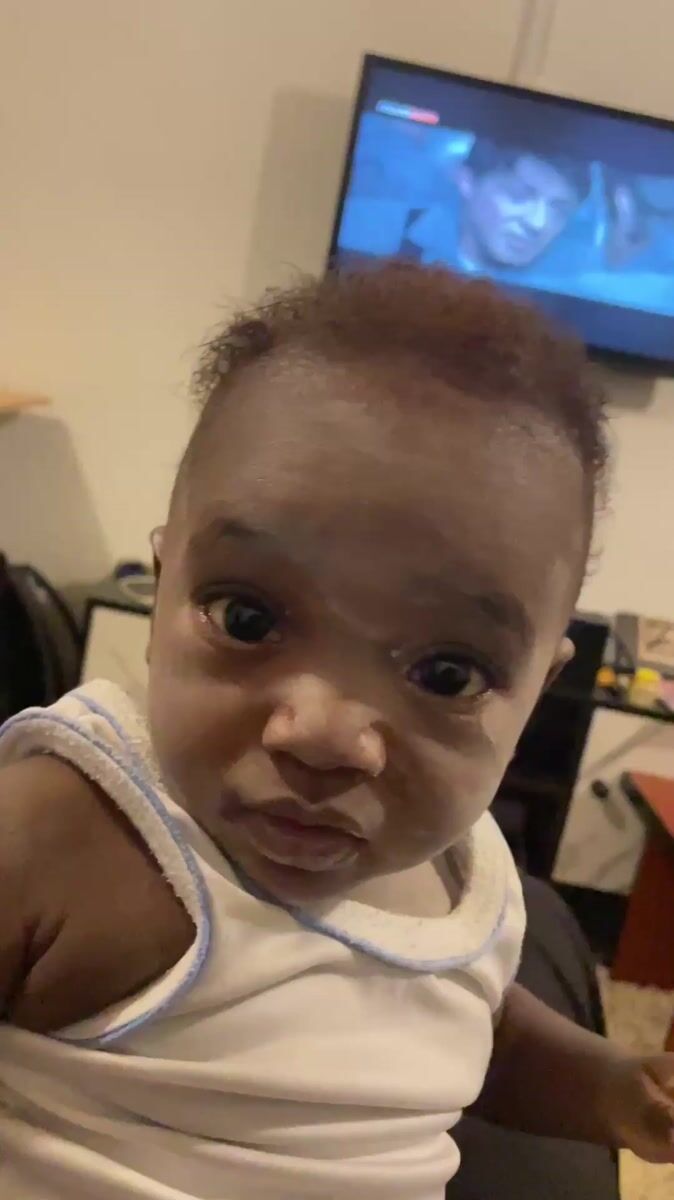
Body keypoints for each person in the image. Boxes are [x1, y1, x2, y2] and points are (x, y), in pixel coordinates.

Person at [0, 264, 672, 1200]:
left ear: (539, 693)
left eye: (447, 674)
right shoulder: (69, 825)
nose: (321, 734)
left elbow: (475, 1034)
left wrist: (612, 1092)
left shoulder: (466, 880)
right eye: (246, 618)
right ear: (160, 592)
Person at [403, 137, 591, 275]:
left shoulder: (576, 289)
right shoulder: (393, 239)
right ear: (467, 181)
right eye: (519, 195)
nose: (538, 223)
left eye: (558, 210)